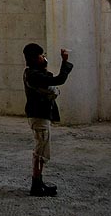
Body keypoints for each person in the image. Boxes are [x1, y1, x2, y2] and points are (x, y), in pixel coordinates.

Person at [22, 43, 73, 197]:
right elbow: (59, 79)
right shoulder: (33, 75)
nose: (44, 58)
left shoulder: (33, 73)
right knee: (40, 151)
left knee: (42, 149)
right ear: (34, 58)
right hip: (39, 116)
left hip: (39, 115)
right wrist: (64, 62)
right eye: (41, 56)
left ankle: (38, 183)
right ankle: (36, 185)